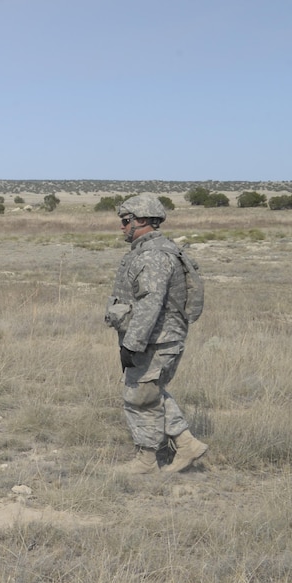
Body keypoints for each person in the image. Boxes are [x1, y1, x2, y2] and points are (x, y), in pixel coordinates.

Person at [103, 192, 210, 475]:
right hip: (158, 337)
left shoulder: (153, 256)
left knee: (139, 397)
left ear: (144, 221)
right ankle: (186, 444)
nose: (122, 227)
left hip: (156, 340)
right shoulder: (155, 250)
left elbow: (150, 302)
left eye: (126, 221)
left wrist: (133, 343)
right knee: (153, 392)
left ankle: (146, 461)